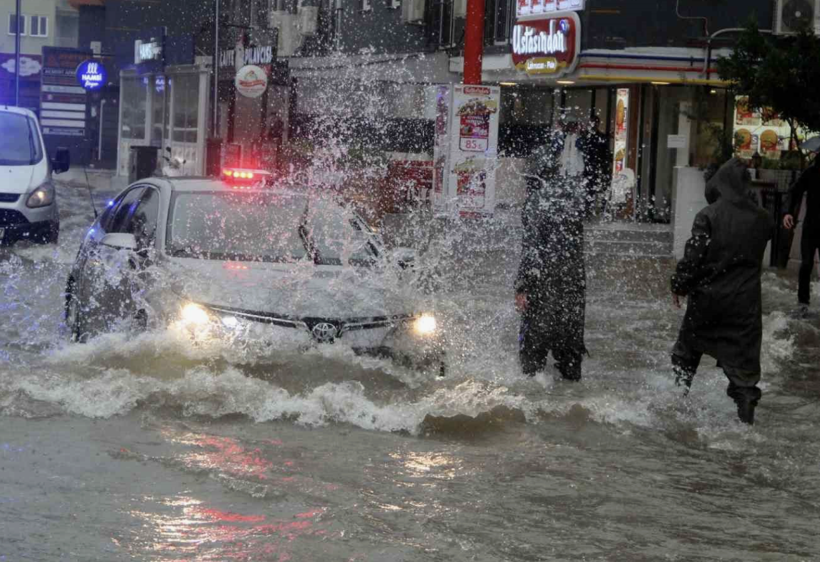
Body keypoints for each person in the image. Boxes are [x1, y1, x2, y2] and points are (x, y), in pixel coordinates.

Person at [671, 158, 773, 424]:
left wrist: (678, 286)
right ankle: (746, 425)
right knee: (745, 374)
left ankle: (676, 410)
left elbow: (693, 258)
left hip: (708, 301)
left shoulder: (708, 215)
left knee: (685, 355)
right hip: (745, 307)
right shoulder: (763, 218)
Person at [515, 115, 589, 381]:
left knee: (532, 356)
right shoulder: (574, 200)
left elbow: (532, 249)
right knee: (570, 352)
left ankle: (536, 394)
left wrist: (522, 286)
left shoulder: (536, 203)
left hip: (544, 287)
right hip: (573, 287)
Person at [782, 155, 820, 316]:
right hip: (811, 226)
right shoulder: (811, 172)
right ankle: (803, 302)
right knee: (806, 264)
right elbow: (794, 191)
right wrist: (788, 212)